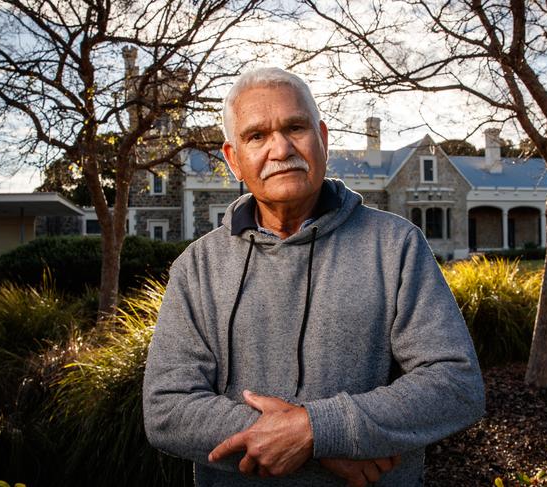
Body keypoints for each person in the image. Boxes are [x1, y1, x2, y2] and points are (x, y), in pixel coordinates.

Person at [142, 67, 485, 486]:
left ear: (322, 137)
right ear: (233, 160)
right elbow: (167, 408)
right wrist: (325, 450)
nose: (281, 148)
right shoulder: (197, 266)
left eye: (295, 127)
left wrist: (315, 431)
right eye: (257, 136)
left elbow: (454, 384)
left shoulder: (396, 245)